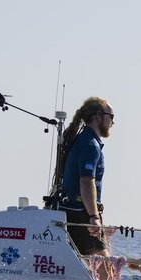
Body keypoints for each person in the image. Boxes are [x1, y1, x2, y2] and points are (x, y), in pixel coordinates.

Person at [56, 97, 115, 256]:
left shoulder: (84, 139)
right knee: (106, 273)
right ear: (98, 116)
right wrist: (94, 217)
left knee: (100, 271)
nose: (112, 123)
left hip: (75, 211)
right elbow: (87, 182)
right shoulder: (90, 145)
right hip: (82, 214)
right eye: (111, 117)